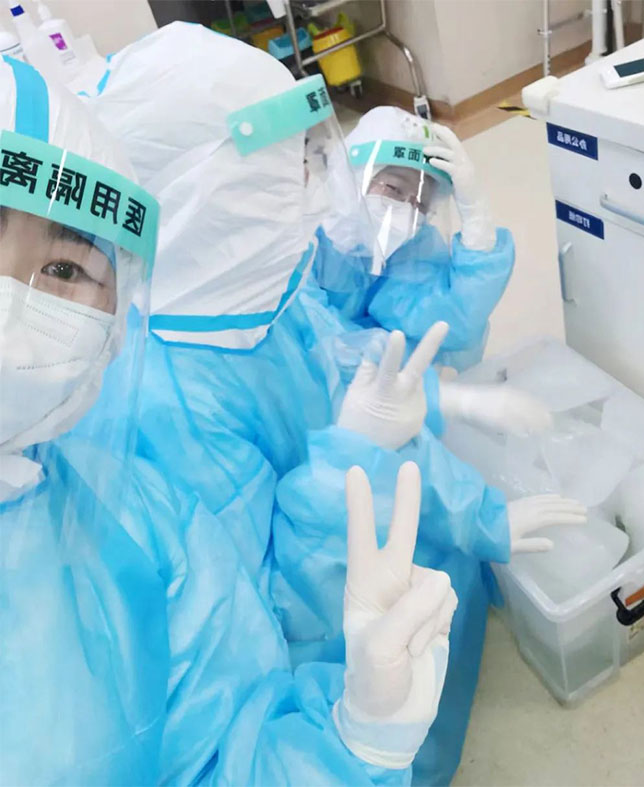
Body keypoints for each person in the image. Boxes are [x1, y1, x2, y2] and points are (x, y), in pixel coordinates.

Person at [88, 24, 586, 786]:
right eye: (293, 170)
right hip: (317, 671)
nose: (324, 195)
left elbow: (363, 394)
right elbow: (262, 630)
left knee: (443, 568)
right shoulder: (161, 406)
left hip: (355, 550)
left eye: (315, 159)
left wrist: (477, 503)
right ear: (205, 197)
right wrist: (353, 461)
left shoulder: (269, 299)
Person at [0, 54, 462, 786]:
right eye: (292, 169)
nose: (12, 318)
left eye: (63, 269)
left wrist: (357, 745)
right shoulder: (162, 411)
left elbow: (228, 737)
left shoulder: (131, 508)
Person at [313, 105, 515, 371]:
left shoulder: (409, 246)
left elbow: (453, 320)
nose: (407, 212)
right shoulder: (301, 243)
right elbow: (304, 346)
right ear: (352, 177)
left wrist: (476, 218)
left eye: (420, 204)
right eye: (394, 188)